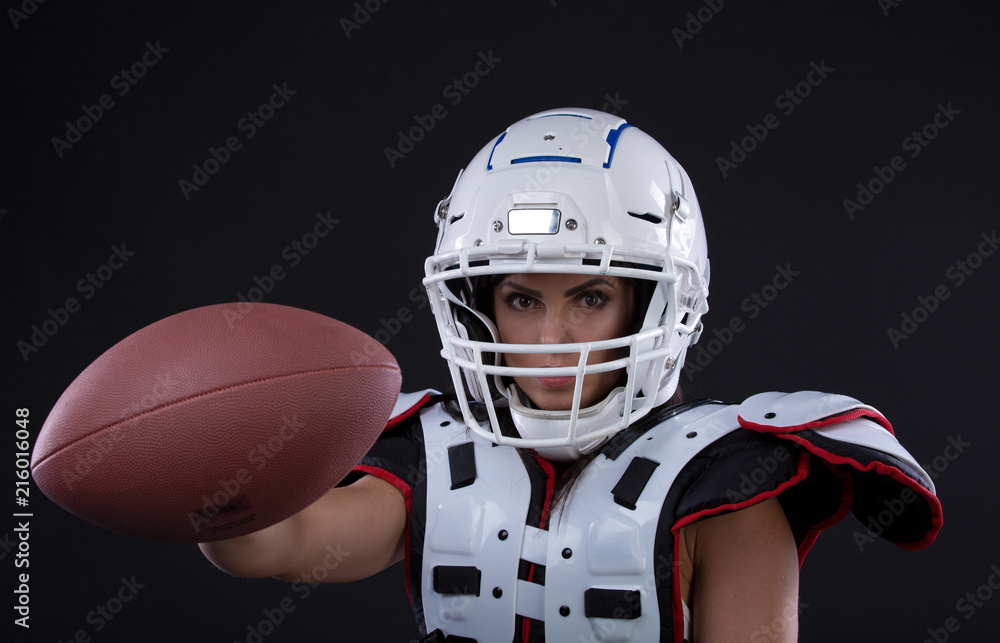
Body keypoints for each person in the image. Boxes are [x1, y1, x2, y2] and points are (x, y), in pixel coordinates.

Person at [200, 108, 943, 642]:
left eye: (589, 297)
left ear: (656, 306)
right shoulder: (442, 457)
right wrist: (208, 477)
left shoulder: (725, 489)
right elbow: (280, 541)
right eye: (522, 299)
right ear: (478, 305)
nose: (551, 339)